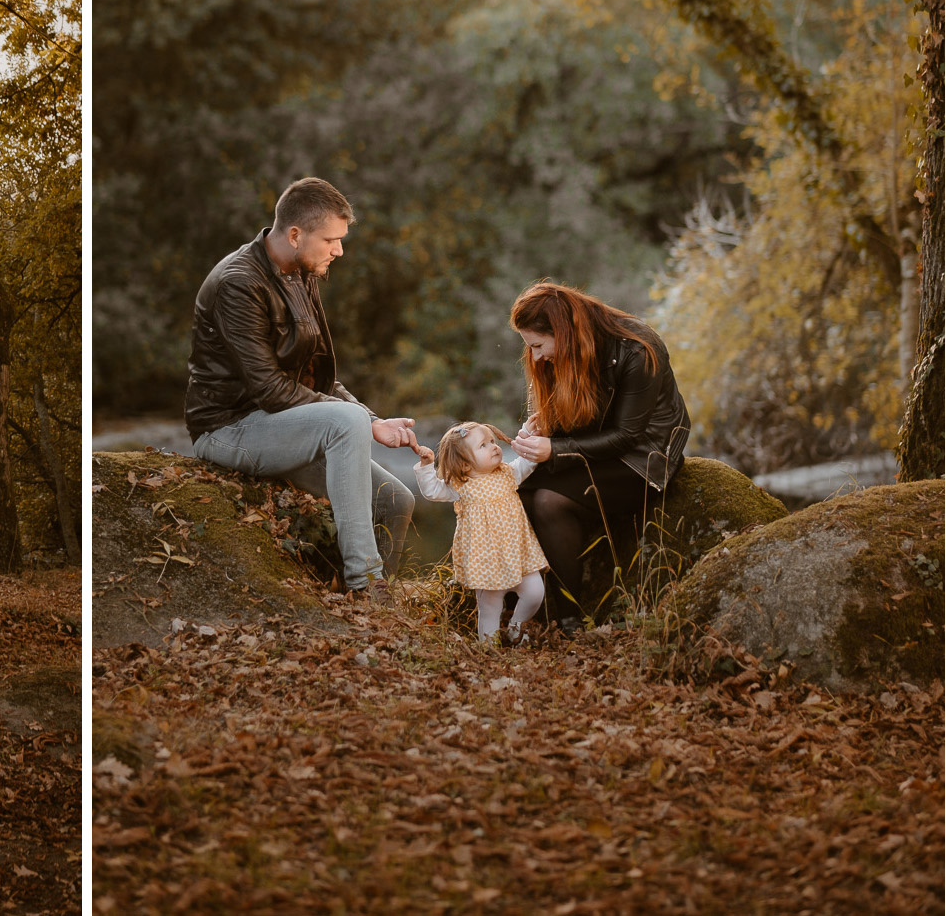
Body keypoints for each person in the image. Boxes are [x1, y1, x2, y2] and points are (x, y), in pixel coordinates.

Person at [186, 177, 418, 600]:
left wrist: (371, 420)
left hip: (282, 424)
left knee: (395, 501)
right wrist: (357, 422)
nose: (339, 250)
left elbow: (317, 380)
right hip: (229, 427)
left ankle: (370, 613)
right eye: (331, 239)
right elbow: (272, 391)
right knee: (347, 421)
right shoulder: (239, 283)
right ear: (295, 235)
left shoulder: (299, 272)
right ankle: (366, 584)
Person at [507, 280, 691, 632]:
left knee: (548, 501)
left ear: (560, 331)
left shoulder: (638, 350)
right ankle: (520, 605)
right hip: (593, 448)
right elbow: (571, 415)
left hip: (643, 459)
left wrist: (555, 450)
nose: (535, 356)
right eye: (528, 347)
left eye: (538, 345)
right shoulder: (564, 349)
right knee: (514, 491)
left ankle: (569, 617)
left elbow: (626, 436)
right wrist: (542, 429)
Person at [413, 423, 548, 644]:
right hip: (484, 562)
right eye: (483, 445)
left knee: (534, 593)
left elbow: (529, 460)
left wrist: (529, 432)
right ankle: (489, 650)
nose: (494, 447)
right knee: (489, 610)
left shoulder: (508, 473)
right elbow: (432, 490)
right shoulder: (461, 485)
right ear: (465, 465)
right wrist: (427, 465)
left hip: (519, 555)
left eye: (493, 442)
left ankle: (516, 626)